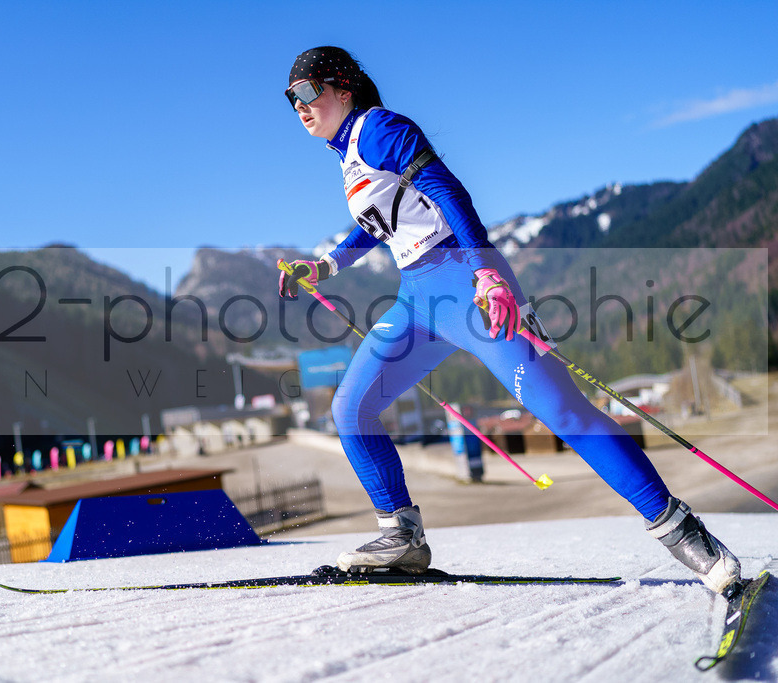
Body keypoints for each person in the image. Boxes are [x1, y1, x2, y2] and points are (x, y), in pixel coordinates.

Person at [277, 46, 742, 595]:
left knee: (563, 411)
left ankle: (682, 531)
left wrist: (488, 273)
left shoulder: (377, 127)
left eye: (307, 92)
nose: (300, 106)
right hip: (416, 301)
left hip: (466, 284)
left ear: (343, 88)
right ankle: (400, 536)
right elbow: (377, 224)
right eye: (291, 100)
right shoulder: (349, 154)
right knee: (351, 407)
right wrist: (326, 263)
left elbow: (448, 191)